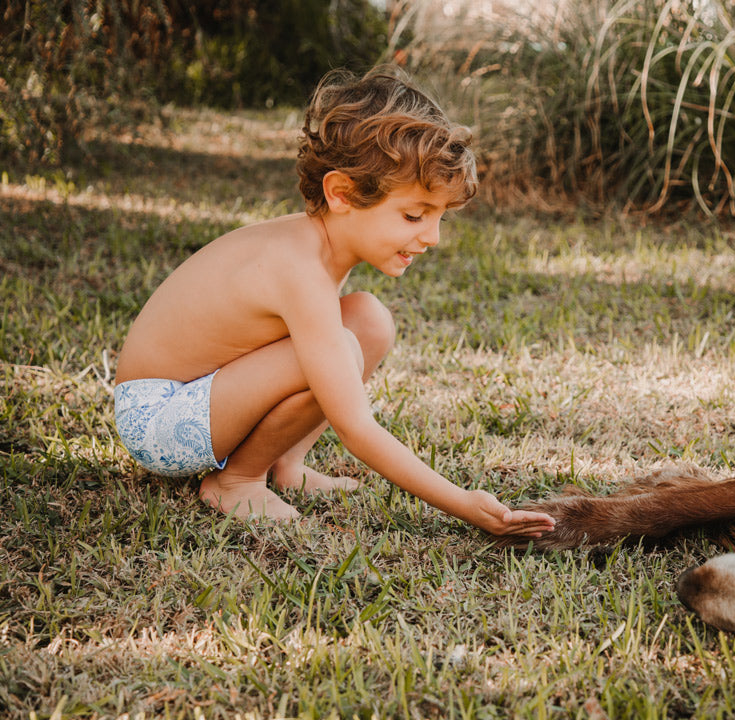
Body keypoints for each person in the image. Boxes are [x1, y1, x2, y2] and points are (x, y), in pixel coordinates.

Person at [112, 66, 556, 538]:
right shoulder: (297, 268)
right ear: (341, 193)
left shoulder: (322, 242)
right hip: (158, 421)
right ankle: (235, 481)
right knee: (337, 350)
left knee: (369, 320)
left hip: (204, 397)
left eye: (440, 216)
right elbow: (355, 428)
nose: (433, 236)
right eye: (414, 215)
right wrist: (464, 503)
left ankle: (288, 464)